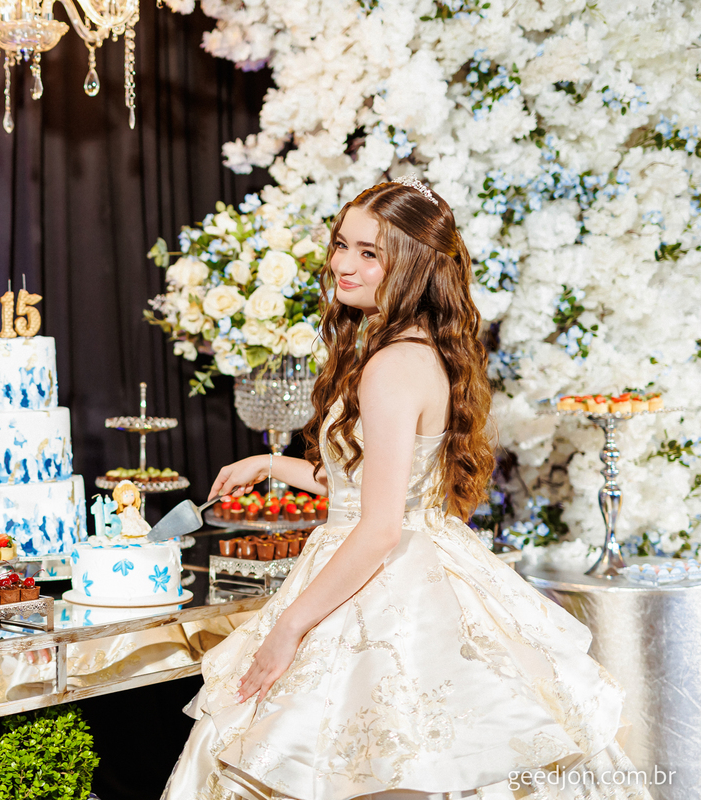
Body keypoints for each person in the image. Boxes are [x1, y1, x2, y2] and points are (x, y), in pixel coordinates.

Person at [162, 179, 649, 800]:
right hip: (422, 555)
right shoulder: (415, 349)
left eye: (370, 253)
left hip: (386, 574)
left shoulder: (391, 365)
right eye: (342, 244)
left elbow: (379, 527)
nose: (343, 264)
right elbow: (369, 484)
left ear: (414, 265)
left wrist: (290, 629)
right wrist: (272, 464)